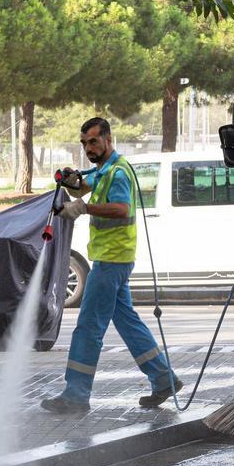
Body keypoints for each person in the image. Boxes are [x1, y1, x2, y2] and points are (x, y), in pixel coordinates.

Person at [40, 117, 180, 415]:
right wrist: (73, 183)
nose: (88, 148)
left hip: (111, 261)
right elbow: (84, 187)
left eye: (93, 141)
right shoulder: (104, 170)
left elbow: (121, 208)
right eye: (84, 143)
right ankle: (163, 379)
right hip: (114, 259)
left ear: (108, 138)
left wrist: (84, 207)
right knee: (127, 322)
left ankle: (76, 394)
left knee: (89, 327)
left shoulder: (117, 173)